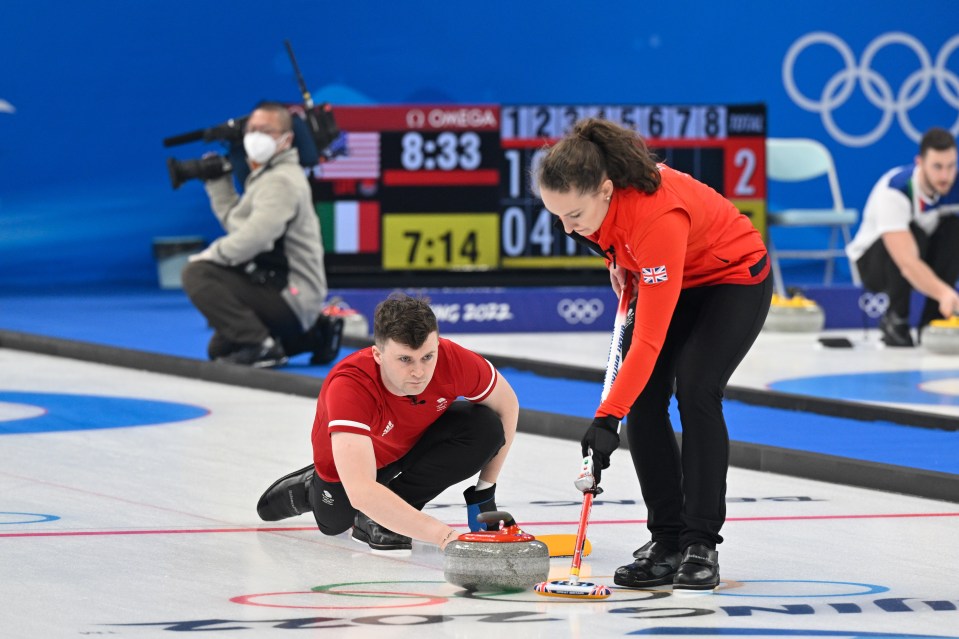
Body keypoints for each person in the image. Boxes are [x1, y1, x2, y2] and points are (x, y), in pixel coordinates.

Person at [536, 118, 772, 592]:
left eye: (574, 216)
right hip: (672, 272)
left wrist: (606, 419)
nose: (567, 228)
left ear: (606, 191)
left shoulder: (656, 216)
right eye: (556, 216)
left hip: (731, 278)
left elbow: (647, 341)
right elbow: (609, 236)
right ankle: (666, 540)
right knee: (644, 399)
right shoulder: (591, 206)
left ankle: (700, 541)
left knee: (696, 387)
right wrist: (617, 260)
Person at [255, 293, 519, 553]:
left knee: (485, 427)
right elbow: (361, 491)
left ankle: (385, 514)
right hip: (356, 464)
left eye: (428, 357)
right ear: (378, 355)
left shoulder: (452, 359)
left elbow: (507, 405)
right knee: (336, 523)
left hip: (413, 441)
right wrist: (444, 536)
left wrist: (485, 489)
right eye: (405, 359)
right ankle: (309, 487)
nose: (419, 372)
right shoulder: (350, 385)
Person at [181, 101, 343, 368]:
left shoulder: (281, 180)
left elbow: (256, 237)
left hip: (293, 294)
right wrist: (218, 184)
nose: (255, 136)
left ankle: (262, 347)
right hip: (277, 286)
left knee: (197, 274)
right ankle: (314, 336)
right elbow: (241, 226)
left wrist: (211, 255)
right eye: (252, 129)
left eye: (265, 130)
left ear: (286, 139)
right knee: (220, 348)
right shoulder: (268, 176)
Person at [846, 127, 959, 347]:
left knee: (954, 228)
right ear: (920, 163)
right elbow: (907, 263)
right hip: (874, 264)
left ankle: (934, 321)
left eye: (951, 166)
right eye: (937, 167)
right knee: (911, 232)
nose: (945, 176)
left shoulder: (955, 185)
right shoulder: (896, 190)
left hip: (920, 253)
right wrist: (946, 293)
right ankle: (896, 319)